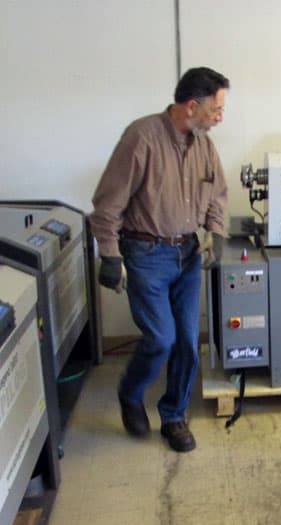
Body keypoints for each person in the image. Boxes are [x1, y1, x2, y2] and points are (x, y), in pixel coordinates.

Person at [90, 67, 229, 453]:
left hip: (187, 254)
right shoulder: (141, 138)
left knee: (187, 340)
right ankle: (131, 392)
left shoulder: (203, 145)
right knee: (161, 338)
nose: (220, 117)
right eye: (216, 109)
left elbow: (217, 193)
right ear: (191, 106)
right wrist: (110, 255)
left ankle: (173, 416)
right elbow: (108, 202)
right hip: (146, 254)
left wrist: (215, 233)